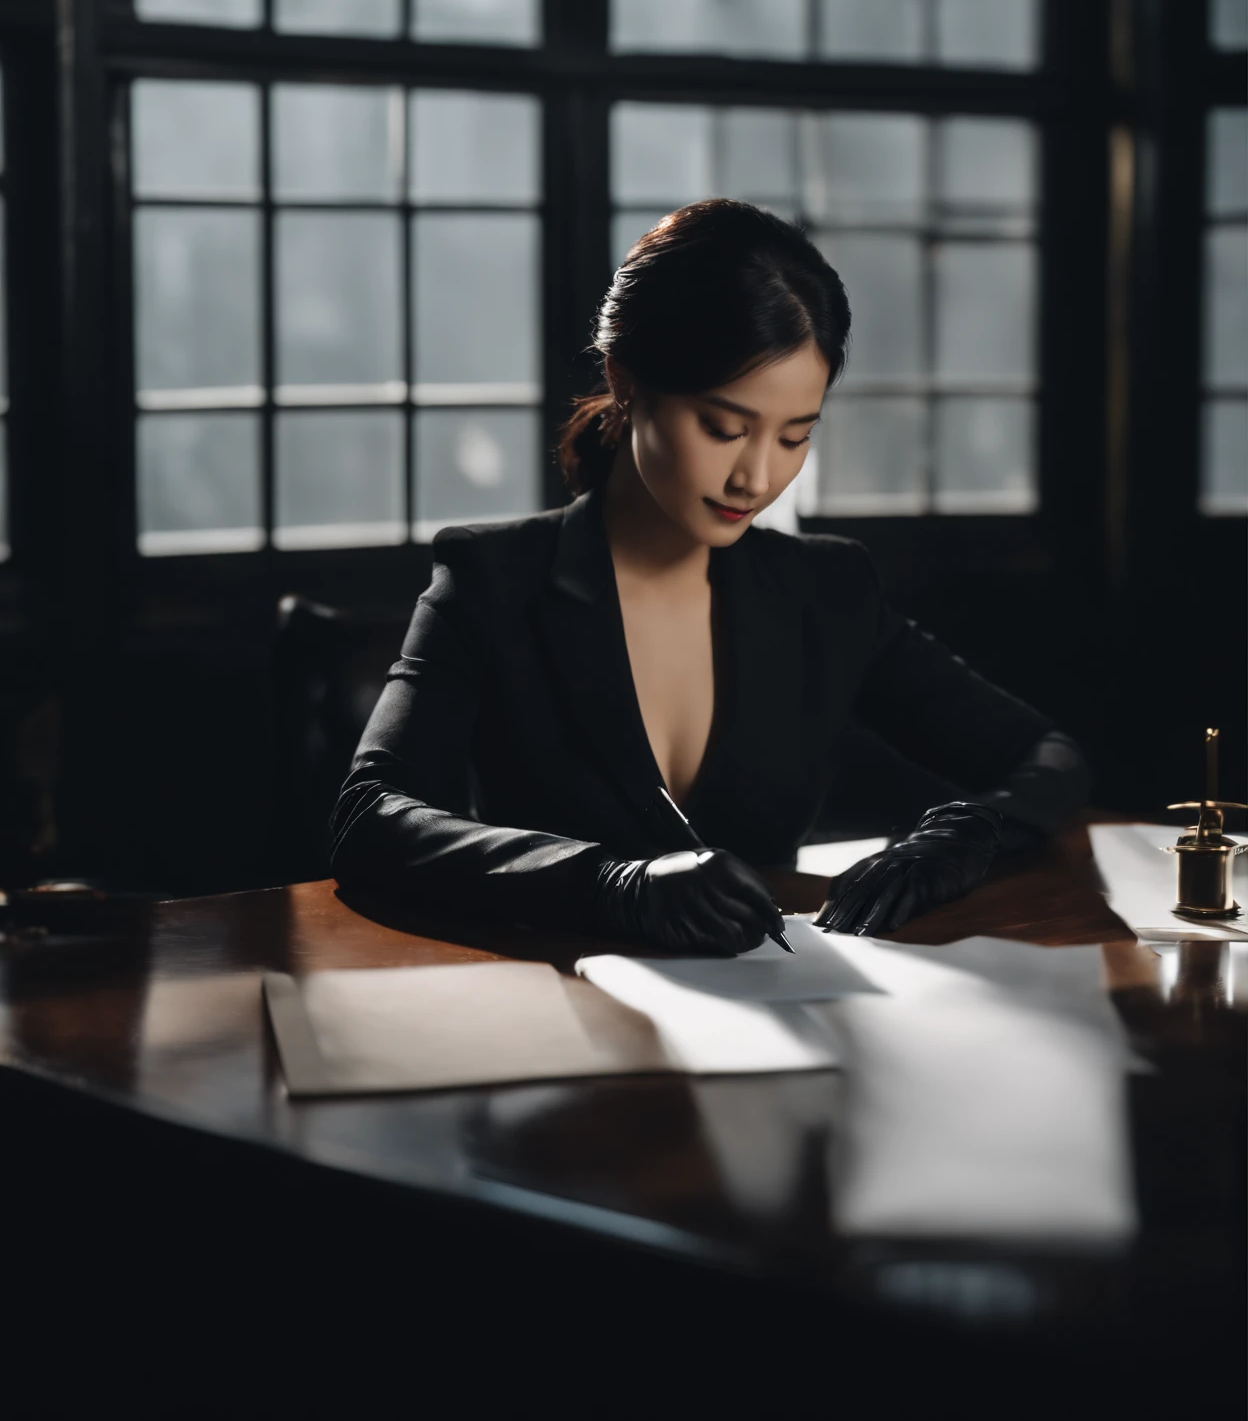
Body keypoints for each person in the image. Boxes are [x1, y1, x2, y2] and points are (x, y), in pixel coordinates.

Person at [331, 200, 1089, 952]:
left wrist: (961, 837)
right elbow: (371, 819)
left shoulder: (825, 591)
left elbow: (1045, 756)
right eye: (723, 428)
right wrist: (605, 884)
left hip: (783, 1018)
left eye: (795, 437)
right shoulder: (493, 578)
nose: (756, 478)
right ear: (625, 382)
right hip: (562, 1019)